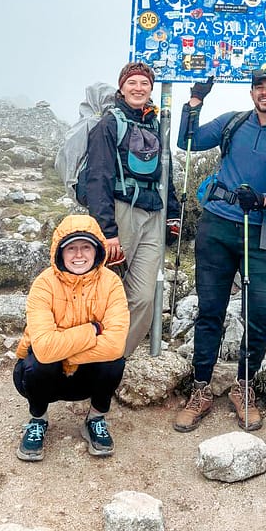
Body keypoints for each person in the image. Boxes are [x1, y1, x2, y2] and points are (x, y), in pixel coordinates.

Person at [173, 67, 266, 432]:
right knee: (210, 310)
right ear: (252, 92)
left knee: (261, 312)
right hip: (217, 226)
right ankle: (200, 390)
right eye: (259, 86)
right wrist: (195, 100)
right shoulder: (233, 123)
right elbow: (188, 141)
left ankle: (244, 387)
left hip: (261, 231)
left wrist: (265, 200)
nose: (265, 91)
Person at [13, 214, 129, 461]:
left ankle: (95, 418)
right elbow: (44, 349)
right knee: (37, 362)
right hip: (47, 375)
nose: (79, 255)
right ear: (59, 252)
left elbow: (115, 345)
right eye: (71, 248)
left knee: (114, 362)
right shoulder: (44, 284)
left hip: (86, 374)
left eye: (86, 247)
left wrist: (64, 353)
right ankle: (38, 419)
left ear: (97, 250)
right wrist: (93, 330)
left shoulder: (111, 283)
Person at [83, 61, 179, 357]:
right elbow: (98, 179)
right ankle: (89, 357)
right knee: (104, 292)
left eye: (144, 83)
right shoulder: (108, 124)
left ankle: (115, 359)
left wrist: (172, 213)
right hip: (120, 212)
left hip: (153, 215)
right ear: (121, 88)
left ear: (151, 88)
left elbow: (165, 172)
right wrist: (107, 231)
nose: (138, 88)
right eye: (132, 83)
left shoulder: (155, 124)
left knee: (143, 297)